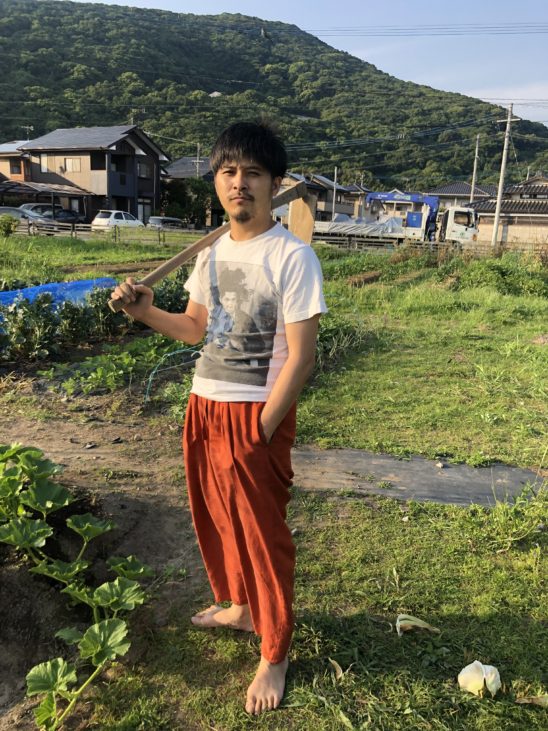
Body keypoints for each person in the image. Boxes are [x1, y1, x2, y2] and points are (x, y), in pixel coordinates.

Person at [111, 121, 327, 715]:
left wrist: (264, 426)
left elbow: (302, 357)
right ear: (216, 181)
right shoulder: (210, 253)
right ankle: (239, 607)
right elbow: (194, 328)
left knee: (262, 535)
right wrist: (144, 312)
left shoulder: (293, 256)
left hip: (254, 413)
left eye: (253, 173)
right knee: (218, 518)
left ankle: (275, 650)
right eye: (229, 172)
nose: (239, 183)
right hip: (204, 404)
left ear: (274, 183)